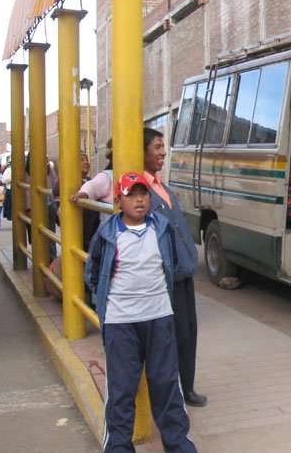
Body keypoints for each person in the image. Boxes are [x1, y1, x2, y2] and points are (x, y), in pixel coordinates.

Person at [85, 172, 196, 452]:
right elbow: (94, 273)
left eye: (143, 194)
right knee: (121, 392)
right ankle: (119, 447)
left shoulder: (160, 227)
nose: (139, 200)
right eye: (132, 195)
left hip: (159, 318)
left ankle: (178, 445)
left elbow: (170, 263)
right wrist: (109, 308)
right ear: (118, 199)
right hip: (121, 324)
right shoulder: (108, 234)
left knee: (167, 386)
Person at [143, 127, 207, 407]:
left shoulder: (161, 185)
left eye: (162, 146)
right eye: (157, 147)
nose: (162, 152)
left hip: (183, 272)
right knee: (169, 336)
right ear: (142, 151)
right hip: (165, 277)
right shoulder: (140, 191)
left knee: (188, 332)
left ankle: (187, 386)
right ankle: (172, 392)